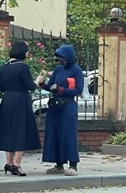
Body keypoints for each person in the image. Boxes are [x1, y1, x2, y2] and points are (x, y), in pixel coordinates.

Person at [38, 45, 84, 176]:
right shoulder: (58, 69)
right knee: (55, 134)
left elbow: (78, 90)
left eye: (63, 58)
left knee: (68, 135)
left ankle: (73, 165)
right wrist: (43, 84)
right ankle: (59, 164)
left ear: (69, 58)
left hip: (68, 106)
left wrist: (62, 90)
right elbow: (52, 87)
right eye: (59, 58)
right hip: (56, 106)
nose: (60, 61)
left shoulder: (76, 70)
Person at [0, 42, 42, 176]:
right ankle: (17, 165)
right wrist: (38, 80)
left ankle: (9, 163)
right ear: (22, 52)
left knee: (9, 130)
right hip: (21, 100)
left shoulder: (3, 67)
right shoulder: (22, 67)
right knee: (20, 130)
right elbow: (30, 86)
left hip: (7, 99)